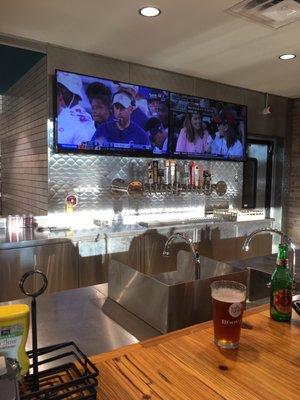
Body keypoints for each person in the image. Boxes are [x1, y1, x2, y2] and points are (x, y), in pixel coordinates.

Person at [57, 72, 95, 145]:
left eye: (61, 87)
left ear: (71, 91)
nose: (58, 90)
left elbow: (84, 147)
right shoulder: (59, 112)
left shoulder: (85, 119)